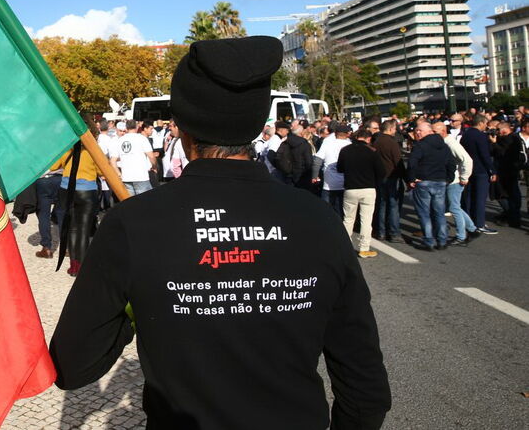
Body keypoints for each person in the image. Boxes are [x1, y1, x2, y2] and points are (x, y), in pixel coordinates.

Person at [50, 37, 390, 429]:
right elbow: (364, 387)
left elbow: (72, 365)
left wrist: (134, 304)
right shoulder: (318, 218)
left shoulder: (133, 224)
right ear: (258, 123)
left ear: (181, 125)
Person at [52, 119, 101, 277]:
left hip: (67, 190)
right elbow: (101, 171)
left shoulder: (68, 147)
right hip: (87, 191)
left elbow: (54, 166)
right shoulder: (93, 148)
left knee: (72, 228)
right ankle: (82, 268)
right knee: (83, 230)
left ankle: (73, 266)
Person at [406, 122, 456, 251]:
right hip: (440, 181)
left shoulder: (420, 146)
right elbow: (451, 163)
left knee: (425, 213)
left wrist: (411, 178)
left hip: (424, 181)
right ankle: (442, 240)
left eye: (420, 131)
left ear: (429, 132)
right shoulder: (444, 146)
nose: (417, 133)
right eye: (416, 131)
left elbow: (412, 163)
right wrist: (448, 179)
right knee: (439, 213)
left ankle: (429, 241)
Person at [337, 128, 384, 258]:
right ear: (368, 139)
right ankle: (364, 248)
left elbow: (339, 168)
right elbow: (381, 172)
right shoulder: (372, 151)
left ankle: (345, 247)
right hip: (368, 188)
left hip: (350, 188)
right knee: (366, 219)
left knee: (348, 219)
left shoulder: (345, 150)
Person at [432, 121, 476, 246]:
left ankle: (461, 236)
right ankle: (472, 229)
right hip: (451, 179)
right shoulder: (444, 142)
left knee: (454, 208)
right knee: (455, 207)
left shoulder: (451, 144)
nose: (432, 134)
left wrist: (464, 177)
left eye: (435, 132)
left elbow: (467, 160)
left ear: (443, 131)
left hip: (455, 180)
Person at [460, 114, 499, 235]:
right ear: (481, 123)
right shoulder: (481, 136)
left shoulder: (465, 135)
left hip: (468, 169)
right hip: (481, 170)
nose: (486, 126)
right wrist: (492, 170)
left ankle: (469, 222)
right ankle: (479, 224)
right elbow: (485, 155)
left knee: (469, 197)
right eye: (485, 124)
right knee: (480, 199)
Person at [373, 119, 404, 243]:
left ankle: (381, 231)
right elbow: (398, 162)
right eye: (394, 128)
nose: (395, 131)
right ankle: (394, 232)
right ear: (390, 129)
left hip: (380, 176)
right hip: (391, 176)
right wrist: (406, 178)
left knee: (382, 204)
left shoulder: (376, 141)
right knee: (393, 205)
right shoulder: (392, 142)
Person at [312, 122, 352, 215]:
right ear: (347, 134)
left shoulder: (327, 143)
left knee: (326, 211)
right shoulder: (350, 145)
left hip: (329, 182)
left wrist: (314, 176)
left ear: (335, 133)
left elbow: (317, 160)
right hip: (346, 182)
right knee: (343, 211)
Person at [110, 120, 156, 195]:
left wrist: (119, 173)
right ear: (137, 127)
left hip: (126, 177)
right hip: (141, 177)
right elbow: (151, 156)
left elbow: (112, 161)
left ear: (126, 128)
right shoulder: (142, 138)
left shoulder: (120, 140)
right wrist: (154, 166)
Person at [273, 121, 313, 190]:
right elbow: (309, 162)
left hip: (288, 175)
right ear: (301, 133)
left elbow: (277, 158)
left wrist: (285, 170)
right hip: (301, 176)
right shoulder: (305, 144)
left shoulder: (284, 143)